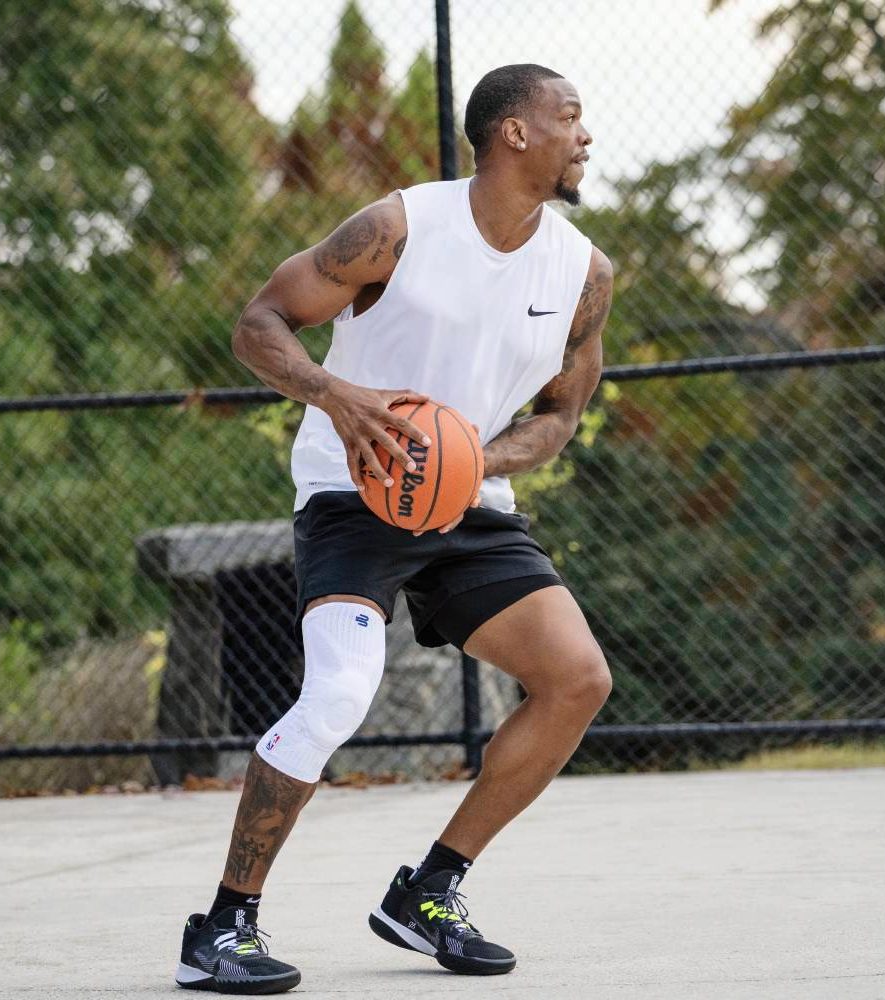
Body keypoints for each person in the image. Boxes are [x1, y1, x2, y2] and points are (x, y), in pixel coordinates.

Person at [175, 63, 614, 994]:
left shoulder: (584, 271)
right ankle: (222, 926)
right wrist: (337, 396)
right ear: (514, 134)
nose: (587, 135)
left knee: (576, 679)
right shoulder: (402, 227)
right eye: (570, 117)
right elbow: (260, 323)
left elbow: (560, 415)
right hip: (352, 493)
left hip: (468, 501)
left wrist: (472, 461)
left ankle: (430, 890)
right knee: (339, 693)